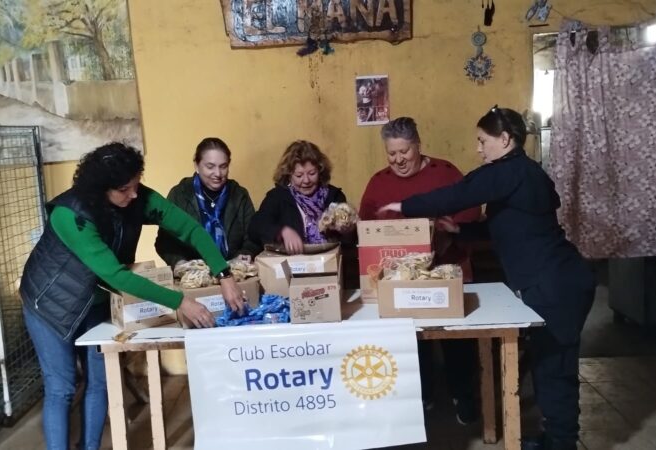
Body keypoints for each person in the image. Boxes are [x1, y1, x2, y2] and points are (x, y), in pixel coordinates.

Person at [378, 107, 595, 450]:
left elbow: (457, 193)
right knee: (547, 365)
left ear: (505, 140)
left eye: (483, 141)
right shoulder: (523, 174)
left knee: (555, 368)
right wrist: (459, 229)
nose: (479, 149)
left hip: (556, 283)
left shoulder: (508, 171)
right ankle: (555, 436)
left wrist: (404, 207)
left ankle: (563, 442)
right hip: (554, 280)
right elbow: (505, 227)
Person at [19, 143, 244, 450]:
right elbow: (116, 275)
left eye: (137, 184)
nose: (135, 194)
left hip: (95, 299)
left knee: (100, 382)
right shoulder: (71, 215)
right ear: (103, 188)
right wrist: (180, 302)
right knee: (62, 388)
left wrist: (224, 274)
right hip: (49, 302)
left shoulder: (136, 197)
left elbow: (189, 228)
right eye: (126, 189)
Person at [359, 116, 482, 424]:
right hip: (400, 279)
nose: (399, 160)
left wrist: (449, 228)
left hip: (447, 270)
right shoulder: (379, 182)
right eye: (392, 153)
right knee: (409, 339)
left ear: (418, 145)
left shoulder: (446, 172)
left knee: (457, 339)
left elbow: (472, 208)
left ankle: (463, 395)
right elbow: (366, 223)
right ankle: (422, 396)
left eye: (405, 151)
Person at [155, 137, 260, 267]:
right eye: (210, 166)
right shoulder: (180, 194)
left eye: (223, 166)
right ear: (196, 165)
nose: (218, 173)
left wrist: (246, 252)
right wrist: (179, 262)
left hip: (234, 269)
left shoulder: (239, 194)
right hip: (193, 274)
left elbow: (253, 235)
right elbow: (165, 242)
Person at [248, 140, 354, 254]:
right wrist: (282, 231)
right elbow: (255, 227)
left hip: (330, 261)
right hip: (293, 264)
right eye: (299, 175)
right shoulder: (278, 197)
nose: (306, 180)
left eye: (312, 173)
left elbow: (350, 241)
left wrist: (347, 228)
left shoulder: (333, 196)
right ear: (289, 175)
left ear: (320, 171)